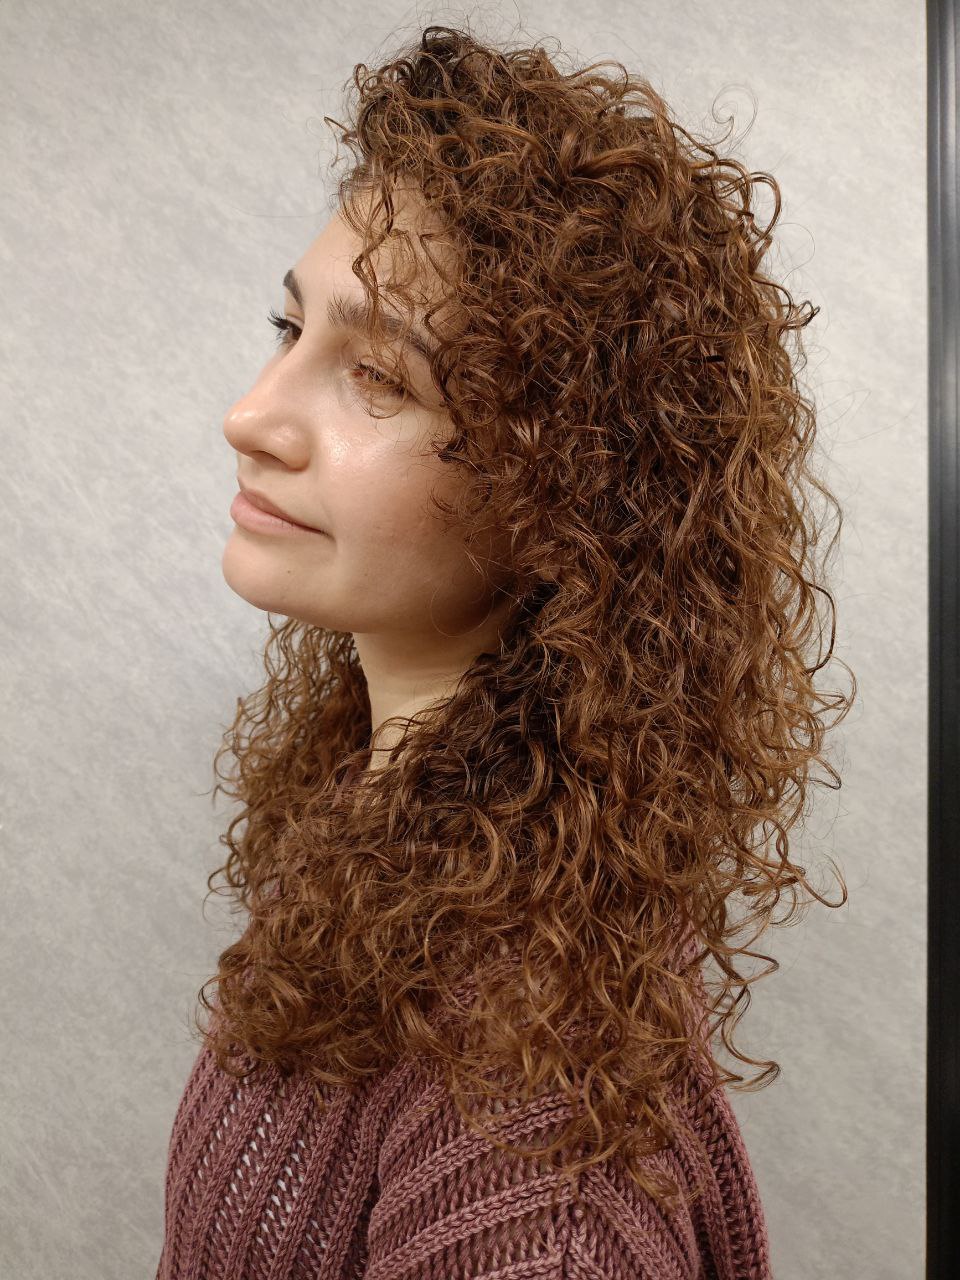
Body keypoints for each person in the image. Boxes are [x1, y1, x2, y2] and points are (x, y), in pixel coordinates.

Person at [156, 22, 855, 1279]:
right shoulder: (384, 836)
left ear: (563, 494)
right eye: (287, 327)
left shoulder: (534, 1120)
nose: (251, 415)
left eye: (379, 375)